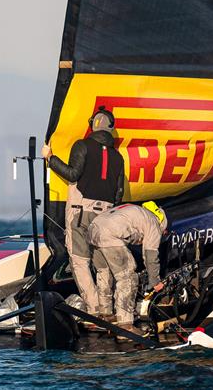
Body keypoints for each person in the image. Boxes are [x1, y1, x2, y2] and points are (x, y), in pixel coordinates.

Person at [41, 106, 125, 320]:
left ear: (93, 124)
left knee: (79, 260)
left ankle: (94, 309)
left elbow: (72, 174)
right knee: (103, 263)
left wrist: (50, 158)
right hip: (106, 215)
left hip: (80, 212)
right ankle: (107, 309)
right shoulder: (118, 157)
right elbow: (119, 193)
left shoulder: (82, 145)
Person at [88, 201, 167, 337]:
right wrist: (155, 282)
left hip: (93, 230)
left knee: (104, 273)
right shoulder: (154, 222)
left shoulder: (135, 211)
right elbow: (150, 255)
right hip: (110, 235)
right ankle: (126, 326)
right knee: (128, 278)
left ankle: (105, 315)